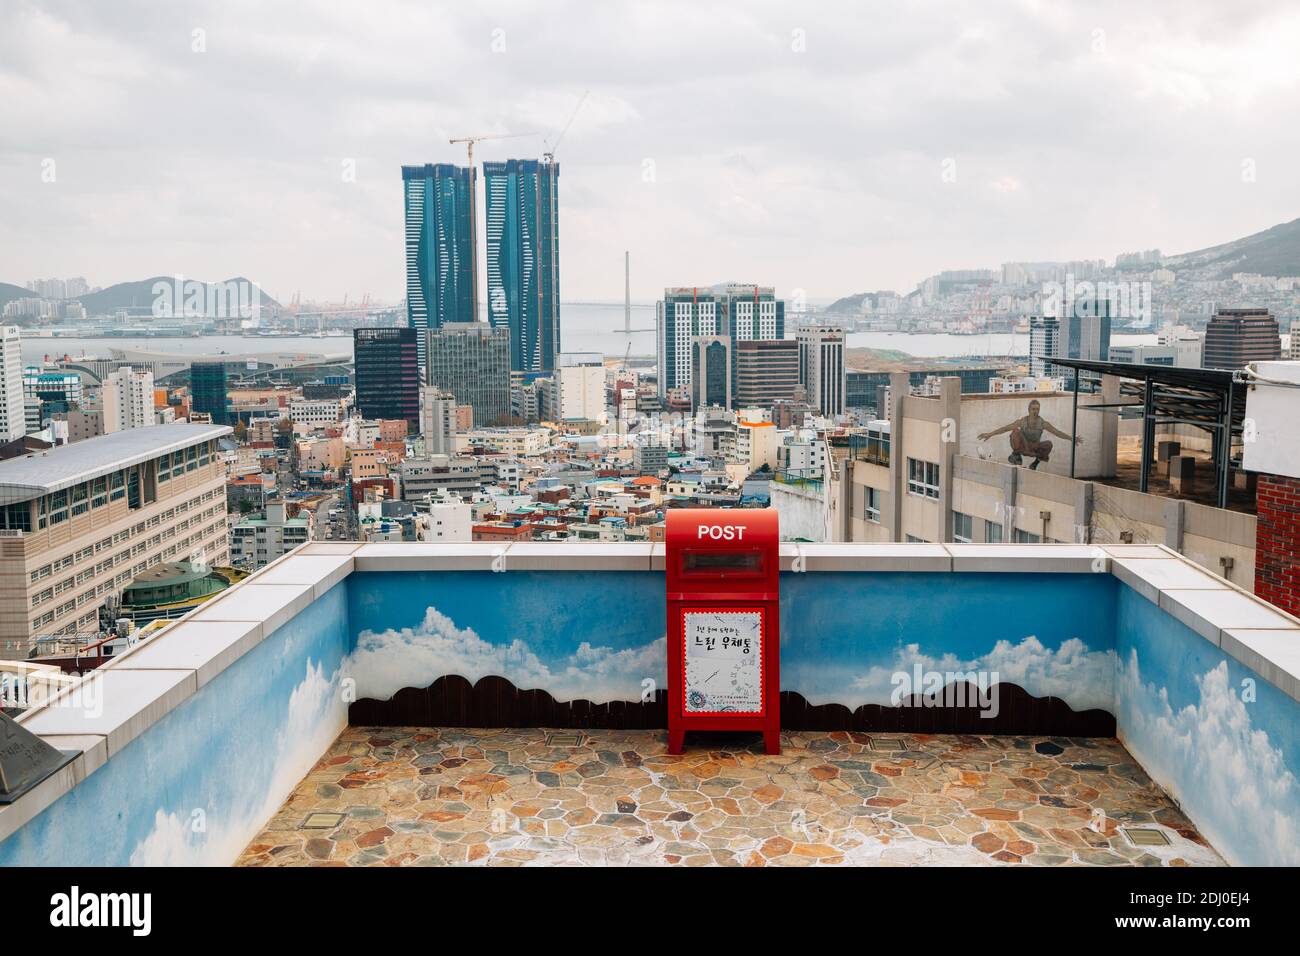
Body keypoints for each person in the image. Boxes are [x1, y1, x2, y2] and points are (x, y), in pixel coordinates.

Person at [978, 399, 1081, 469]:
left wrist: (1071, 438)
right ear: (1029, 410)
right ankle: (1016, 455)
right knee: (1015, 432)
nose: (1035, 411)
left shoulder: (1043, 423)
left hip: (1033, 447)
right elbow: (1006, 428)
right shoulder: (1023, 421)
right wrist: (989, 434)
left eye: (1037, 409)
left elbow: (1057, 432)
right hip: (1023, 446)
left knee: (1048, 444)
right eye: (1033, 409)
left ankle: (1035, 463)